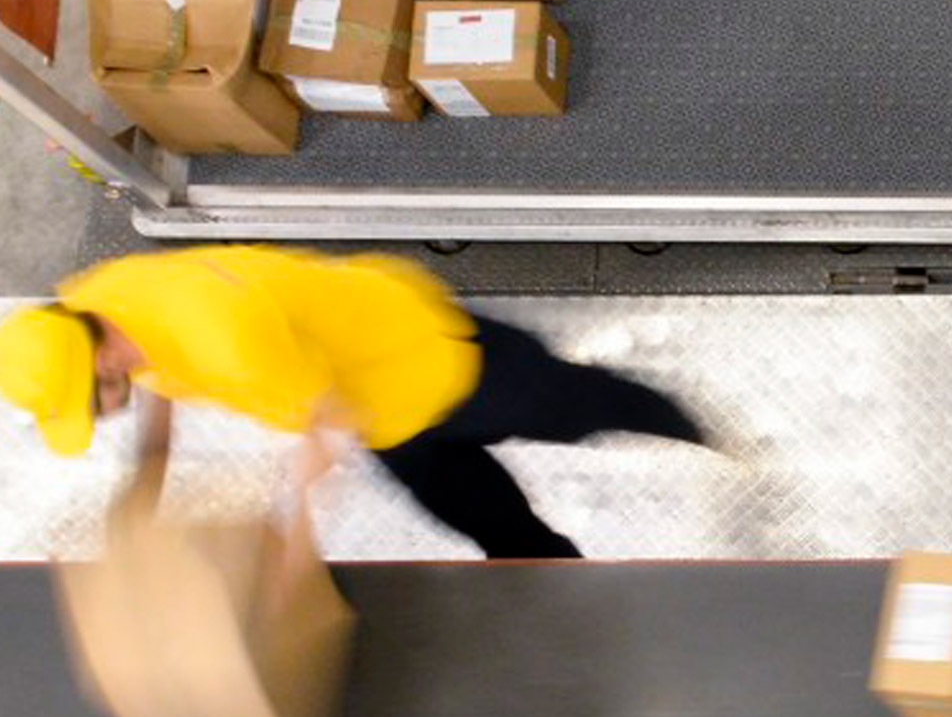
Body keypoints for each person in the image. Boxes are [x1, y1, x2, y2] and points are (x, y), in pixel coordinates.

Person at [0, 246, 705, 559]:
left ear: (98, 360)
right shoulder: (96, 300)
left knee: (577, 408)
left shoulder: (223, 335)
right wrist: (147, 482)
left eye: (89, 401)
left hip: (429, 362)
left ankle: (686, 423)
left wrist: (291, 558)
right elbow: (163, 386)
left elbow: (322, 427)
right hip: (385, 419)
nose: (97, 413)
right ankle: (560, 586)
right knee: (491, 526)